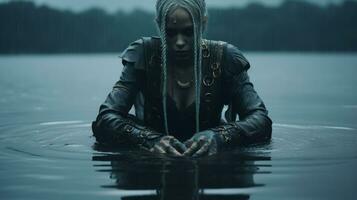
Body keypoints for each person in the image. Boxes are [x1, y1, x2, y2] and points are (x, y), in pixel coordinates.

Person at [92, 0, 272, 157]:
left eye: (188, 32)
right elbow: (105, 118)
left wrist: (219, 137)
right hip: (152, 164)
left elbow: (260, 120)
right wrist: (148, 140)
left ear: (203, 24)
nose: (179, 42)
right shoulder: (143, 55)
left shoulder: (225, 58)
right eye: (170, 33)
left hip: (210, 166)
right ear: (159, 26)